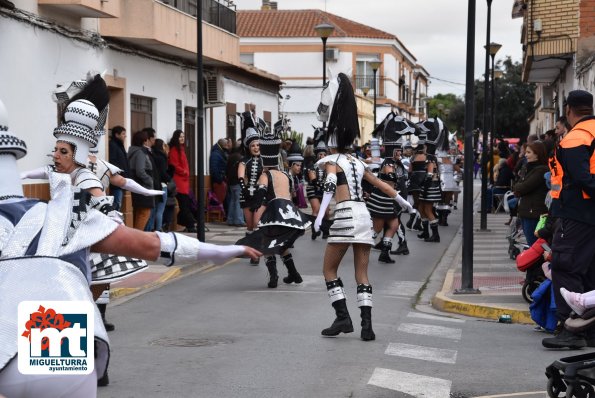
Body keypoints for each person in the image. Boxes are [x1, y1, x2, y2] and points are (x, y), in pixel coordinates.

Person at [0, 98, 262, 398]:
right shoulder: (66, 210)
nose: (57, 156)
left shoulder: (84, 181)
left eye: (63, 150)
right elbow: (154, 244)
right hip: (58, 324)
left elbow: (126, 192)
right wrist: (224, 252)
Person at [313, 72, 414, 341]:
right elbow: (384, 186)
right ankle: (366, 326)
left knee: (329, 270)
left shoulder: (332, 161)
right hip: (364, 218)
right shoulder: (359, 162)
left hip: (345, 215)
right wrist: (405, 203)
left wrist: (320, 216)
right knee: (362, 272)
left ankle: (342, 317)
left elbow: (330, 186)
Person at [542, 90, 595, 349]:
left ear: (569, 109)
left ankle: (571, 329)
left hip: (578, 212)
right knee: (589, 270)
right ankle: (589, 330)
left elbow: (582, 177)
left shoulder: (577, 136)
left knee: (565, 266)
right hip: (588, 215)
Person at [236, 122, 311, 287]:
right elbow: (289, 195)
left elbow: (260, 197)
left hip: (272, 213)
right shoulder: (284, 174)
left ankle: (274, 277)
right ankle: (293, 273)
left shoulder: (265, 175)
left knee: (267, 243)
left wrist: (256, 208)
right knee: (281, 244)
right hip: (288, 215)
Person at [415, 118, 446, 243]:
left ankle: (435, 234)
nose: (424, 148)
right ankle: (426, 231)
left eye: (425, 146)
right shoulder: (430, 157)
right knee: (422, 208)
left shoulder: (431, 158)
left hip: (430, 186)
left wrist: (425, 184)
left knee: (428, 210)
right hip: (428, 186)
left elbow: (430, 174)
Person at [512, 141, 548, 246]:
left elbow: (522, 187)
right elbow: (517, 186)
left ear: (537, 154)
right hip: (526, 211)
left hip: (534, 213)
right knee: (531, 244)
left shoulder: (541, 170)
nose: (525, 155)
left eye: (529, 152)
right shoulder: (529, 168)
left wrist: (518, 187)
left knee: (534, 245)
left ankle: (537, 263)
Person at [238, 127, 263, 265]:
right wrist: (245, 189)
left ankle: (256, 254)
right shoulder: (244, 161)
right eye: (253, 145)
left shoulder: (264, 161)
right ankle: (250, 251)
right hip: (246, 196)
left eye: (258, 145)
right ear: (248, 147)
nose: (255, 147)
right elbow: (240, 177)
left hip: (260, 196)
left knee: (256, 224)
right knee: (249, 227)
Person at [168, 129, 197, 232]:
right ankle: (190, 225)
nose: (182, 138)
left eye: (183, 137)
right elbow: (174, 165)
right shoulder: (174, 150)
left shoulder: (181, 149)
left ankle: (184, 222)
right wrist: (184, 172)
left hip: (184, 181)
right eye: (180, 137)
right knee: (184, 205)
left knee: (186, 204)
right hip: (179, 181)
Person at [128, 130, 157, 230]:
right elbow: (140, 171)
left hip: (138, 186)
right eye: (146, 139)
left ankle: (136, 236)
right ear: (143, 141)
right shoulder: (140, 152)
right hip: (143, 187)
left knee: (140, 213)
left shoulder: (132, 151)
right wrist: (150, 180)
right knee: (144, 213)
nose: (147, 142)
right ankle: (137, 237)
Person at [306, 128, 329, 240]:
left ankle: (325, 229)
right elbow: (313, 179)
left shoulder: (329, 165)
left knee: (326, 210)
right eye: (320, 154)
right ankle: (315, 229)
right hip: (313, 189)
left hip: (325, 189)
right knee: (316, 209)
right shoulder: (312, 164)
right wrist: (320, 186)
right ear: (317, 155)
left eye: (324, 154)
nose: (322, 156)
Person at [152, 139, 172, 231]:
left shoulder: (152, 155)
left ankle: (153, 228)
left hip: (154, 185)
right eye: (164, 145)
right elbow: (163, 173)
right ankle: (159, 229)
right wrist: (169, 178)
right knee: (160, 210)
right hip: (162, 185)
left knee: (154, 209)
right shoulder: (162, 157)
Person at [225, 139, 246, 227]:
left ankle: (230, 219)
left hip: (230, 182)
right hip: (238, 182)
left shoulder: (230, 156)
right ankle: (239, 220)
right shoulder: (240, 158)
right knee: (238, 201)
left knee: (232, 200)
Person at [108, 125, 129, 210]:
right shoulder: (113, 145)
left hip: (122, 180)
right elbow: (113, 161)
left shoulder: (120, 145)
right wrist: (121, 173)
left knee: (118, 204)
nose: (125, 136)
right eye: (123, 134)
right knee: (116, 204)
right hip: (117, 180)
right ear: (117, 135)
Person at [210, 137, 230, 213]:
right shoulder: (216, 154)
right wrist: (220, 179)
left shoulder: (220, 152)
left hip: (222, 180)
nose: (228, 147)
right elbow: (214, 168)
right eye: (227, 145)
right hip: (219, 181)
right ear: (223, 145)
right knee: (223, 199)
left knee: (226, 199)